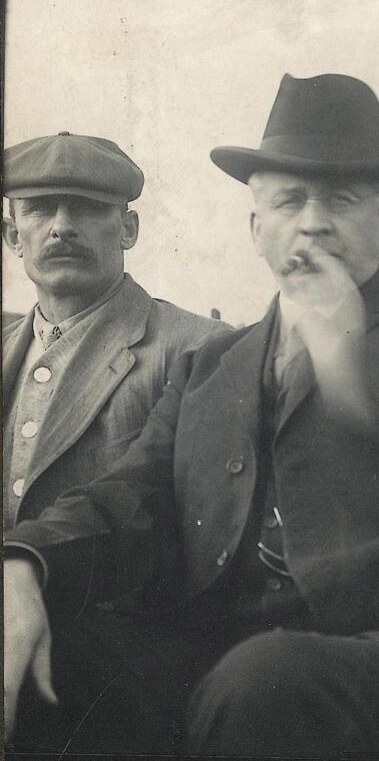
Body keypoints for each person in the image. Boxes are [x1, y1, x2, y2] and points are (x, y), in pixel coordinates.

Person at [3, 74, 379, 758]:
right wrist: (26, 561)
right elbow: (128, 497)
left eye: (341, 199)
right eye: (288, 200)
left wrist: (351, 356)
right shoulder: (211, 365)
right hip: (217, 649)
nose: (312, 221)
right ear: (256, 228)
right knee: (44, 645)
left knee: (260, 682)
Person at [2, 132, 225, 529]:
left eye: (87, 208)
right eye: (40, 208)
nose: (62, 227)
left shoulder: (200, 349)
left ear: (128, 230)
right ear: (14, 236)